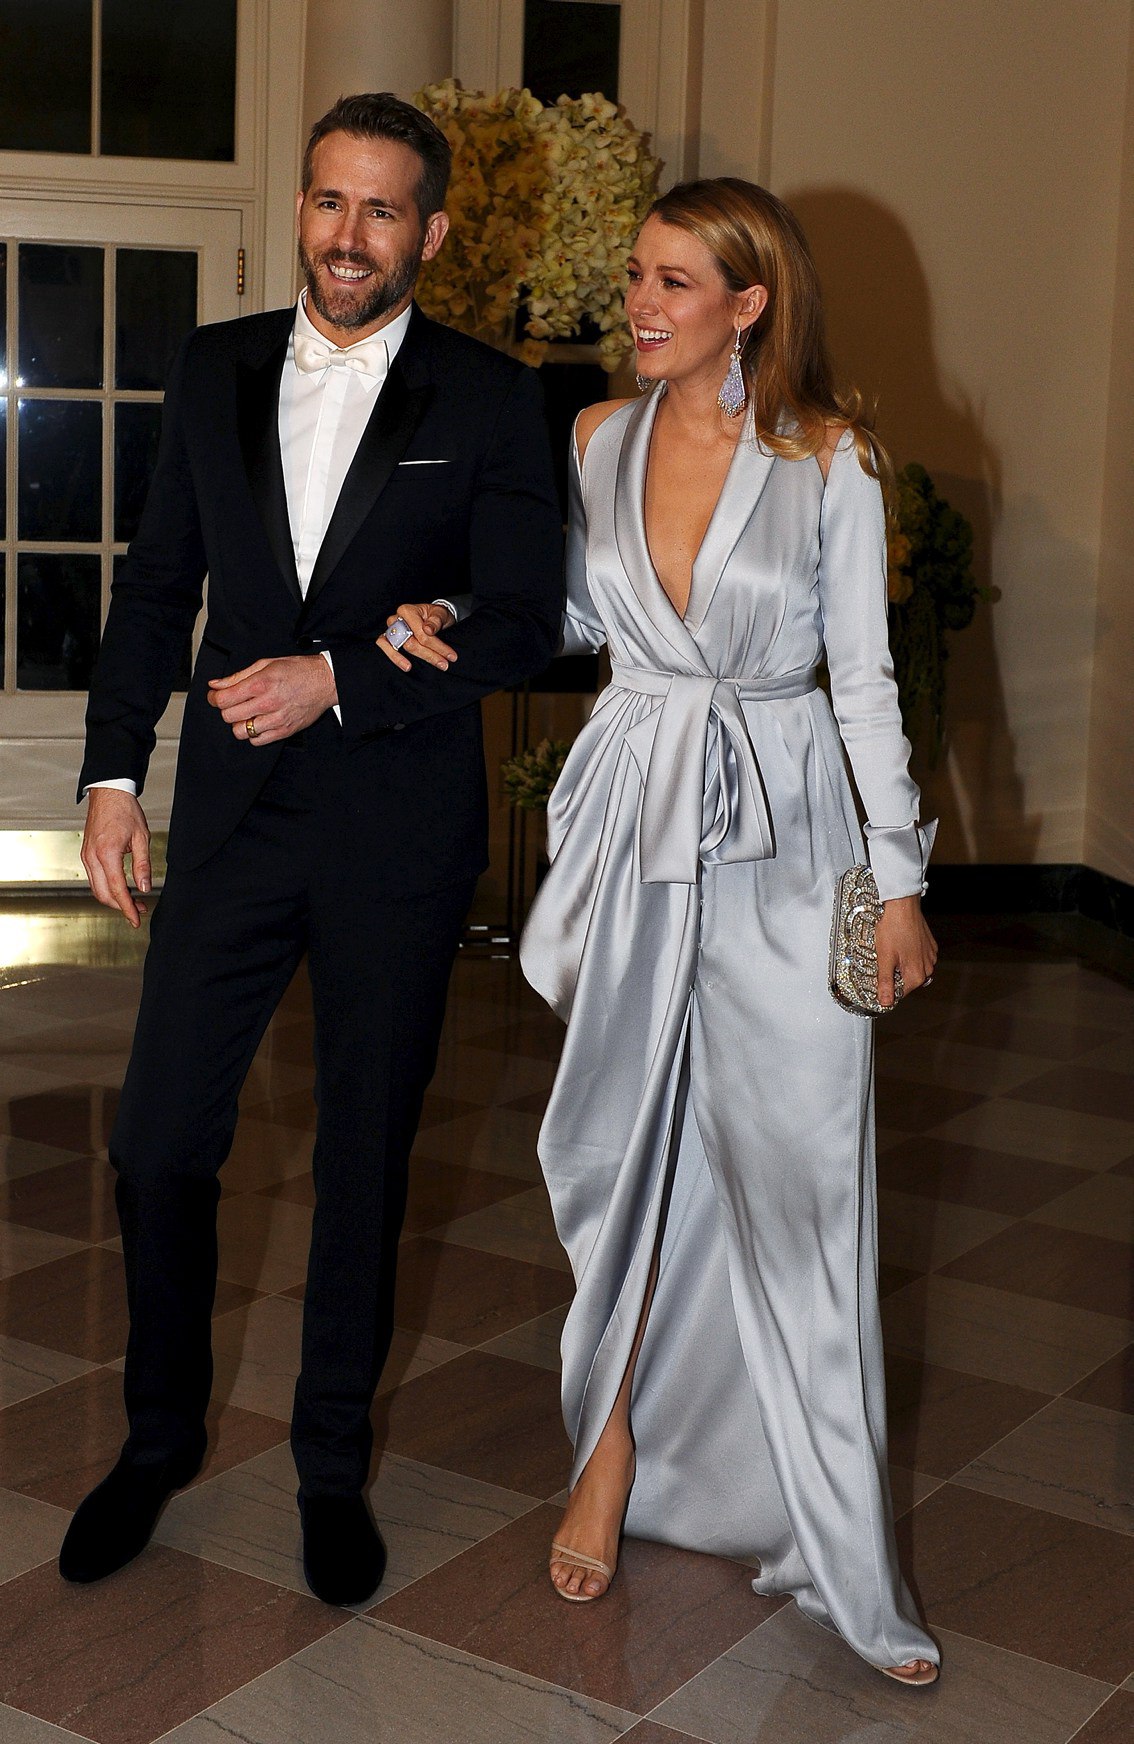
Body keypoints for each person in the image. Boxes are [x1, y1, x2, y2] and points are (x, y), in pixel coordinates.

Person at [62, 92, 562, 1608]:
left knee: (361, 1153)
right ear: (301, 207)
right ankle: (158, 1441)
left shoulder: (493, 398)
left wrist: (341, 677)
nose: (349, 236)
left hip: (396, 828)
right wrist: (110, 774)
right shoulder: (213, 366)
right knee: (158, 1139)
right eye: (329, 201)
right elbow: (159, 585)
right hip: (230, 822)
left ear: (433, 233)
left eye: (382, 210)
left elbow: (522, 618)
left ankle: (330, 1467)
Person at [519, 178, 941, 1683]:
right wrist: (444, 611)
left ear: (749, 304)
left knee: (801, 1180)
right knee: (622, 1155)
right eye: (636, 276)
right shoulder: (596, 437)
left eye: (672, 282)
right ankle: (609, 1450)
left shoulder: (830, 459)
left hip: (785, 833)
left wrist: (899, 878)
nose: (638, 304)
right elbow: (580, 621)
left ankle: (841, 1546)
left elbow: (863, 679)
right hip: (635, 821)